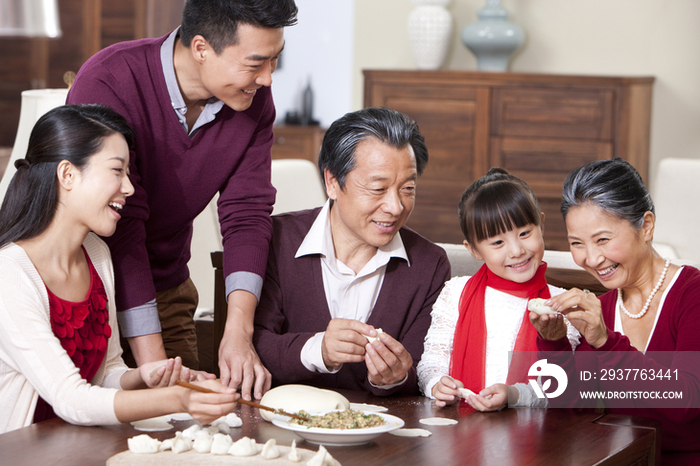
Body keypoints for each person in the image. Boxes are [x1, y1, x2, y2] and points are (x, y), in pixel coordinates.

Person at [66, 0, 299, 399]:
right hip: (88, 295)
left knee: (185, 431)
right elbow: (123, 226)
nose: (267, 79)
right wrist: (157, 368)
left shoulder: (253, 102)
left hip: (167, 289)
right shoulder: (109, 81)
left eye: (275, 60)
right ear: (201, 47)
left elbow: (247, 213)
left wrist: (238, 334)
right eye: (255, 63)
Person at [0, 105, 238, 433]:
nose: (128, 188)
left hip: (77, 446)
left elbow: (106, 371)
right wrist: (178, 400)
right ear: (67, 174)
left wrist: (145, 375)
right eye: (117, 171)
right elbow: (70, 397)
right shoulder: (9, 274)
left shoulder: (96, 254)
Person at [252, 107, 451, 396]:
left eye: (408, 188)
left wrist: (394, 378)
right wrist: (318, 349)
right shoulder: (276, 240)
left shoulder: (429, 264)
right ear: (332, 182)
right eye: (378, 188)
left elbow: (423, 370)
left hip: (382, 434)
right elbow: (251, 345)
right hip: (278, 424)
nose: (395, 207)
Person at [533, 158, 700, 459]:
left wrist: (605, 343)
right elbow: (573, 408)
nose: (592, 258)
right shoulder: (604, 308)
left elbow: (685, 402)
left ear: (646, 226)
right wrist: (553, 341)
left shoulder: (692, 293)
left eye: (603, 240)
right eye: (577, 243)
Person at [417, 168, 579, 411]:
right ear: (473, 249)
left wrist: (513, 394)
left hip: (534, 438)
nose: (516, 251)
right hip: (458, 431)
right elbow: (432, 361)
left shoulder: (562, 303)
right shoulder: (456, 293)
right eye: (498, 242)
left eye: (525, 233)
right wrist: (436, 383)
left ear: (541, 225)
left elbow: (560, 387)